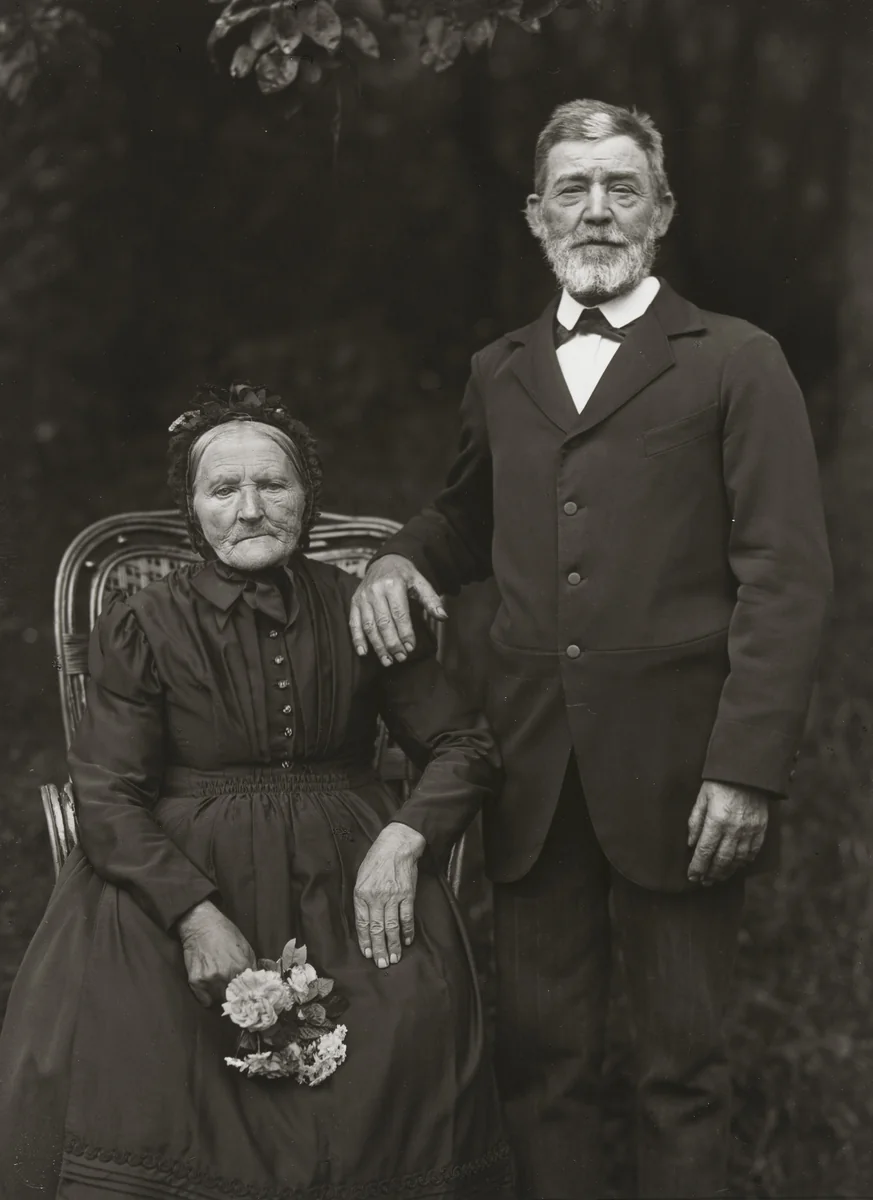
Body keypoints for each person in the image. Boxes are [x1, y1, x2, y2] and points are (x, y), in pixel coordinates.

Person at [349, 99, 833, 1199]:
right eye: (574, 188)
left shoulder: (737, 362)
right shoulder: (499, 368)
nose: (598, 210)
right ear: (535, 215)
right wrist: (393, 559)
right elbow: (465, 518)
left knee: (681, 1070)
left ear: (661, 214)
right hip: (530, 768)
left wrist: (746, 765)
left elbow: (786, 576)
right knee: (541, 1063)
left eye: (623, 188)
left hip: (684, 773)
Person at [0, 383, 514, 1200]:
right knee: (149, 1050)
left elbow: (462, 744)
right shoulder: (142, 623)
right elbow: (106, 796)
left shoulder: (360, 606)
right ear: (193, 509)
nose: (248, 509)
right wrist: (192, 915)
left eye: (272, 485)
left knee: (409, 1028)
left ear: (308, 498)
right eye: (222, 489)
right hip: (175, 880)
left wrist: (406, 835)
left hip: (350, 877)